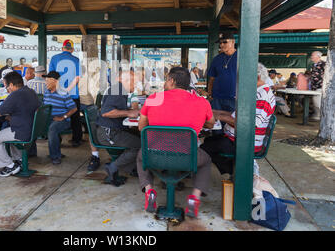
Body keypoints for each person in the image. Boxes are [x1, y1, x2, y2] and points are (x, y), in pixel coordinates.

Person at [137, 67, 215, 218]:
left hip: (155, 156)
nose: (165, 82)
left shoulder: (154, 98)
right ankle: (194, 197)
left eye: (166, 79)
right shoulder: (201, 102)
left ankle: (149, 191)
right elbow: (211, 123)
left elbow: (141, 127)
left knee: (141, 155)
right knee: (206, 161)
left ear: (171, 81)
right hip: (188, 158)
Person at [200, 63, 276, 177]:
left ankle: (244, 173)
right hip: (238, 139)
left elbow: (250, 124)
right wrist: (216, 113)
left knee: (205, 149)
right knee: (208, 142)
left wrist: (219, 117)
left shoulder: (262, 95)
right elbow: (238, 115)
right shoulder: (258, 92)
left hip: (244, 143)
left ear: (257, 77)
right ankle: (238, 172)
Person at [0, 71, 41, 177]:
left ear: (11, 84)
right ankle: (19, 160)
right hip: (33, 129)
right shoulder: (30, 91)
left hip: (21, 131)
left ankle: (10, 166)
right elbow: (33, 108)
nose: (7, 89)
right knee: (6, 133)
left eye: (6, 86)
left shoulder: (15, 95)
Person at [95, 70, 141, 186]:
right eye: (133, 82)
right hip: (108, 133)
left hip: (112, 130)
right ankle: (112, 167)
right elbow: (106, 112)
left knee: (139, 136)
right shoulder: (117, 90)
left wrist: (132, 111)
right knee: (140, 144)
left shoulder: (119, 90)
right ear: (125, 81)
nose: (135, 85)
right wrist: (128, 113)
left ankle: (130, 168)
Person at [49, 39, 82, 147]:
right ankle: (76, 140)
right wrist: (68, 90)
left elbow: (51, 77)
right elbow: (77, 78)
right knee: (75, 117)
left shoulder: (54, 58)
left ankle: (56, 141)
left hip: (58, 94)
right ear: (72, 49)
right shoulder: (77, 60)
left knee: (56, 116)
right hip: (73, 94)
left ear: (62, 48)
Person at [42, 71, 78, 165]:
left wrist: (63, 117)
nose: (46, 83)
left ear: (54, 81)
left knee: (52, 129)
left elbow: (74, 108)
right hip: (49, 119)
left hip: (63, 120)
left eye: (48, 81)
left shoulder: (63, 93)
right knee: (32, 123)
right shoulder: (46, 92)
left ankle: (55, 156)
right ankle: (30, 153)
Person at [207, 32, 237, 112]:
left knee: (233, 123)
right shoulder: (217, 59)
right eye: (220, 43)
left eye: (225, 42)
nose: (221, 45)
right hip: (217, 98)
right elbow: (212, 78)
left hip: (234, 99)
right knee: (216, 123)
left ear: (233, 42)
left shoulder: (241, 57)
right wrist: (210, 94)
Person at [309, 51, 325, 121]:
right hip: (314, 87)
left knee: (318, 101)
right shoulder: (314, 65)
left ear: (318, 56)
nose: (311, 57)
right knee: (315, 101)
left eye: (313, 55)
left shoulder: (323, 64)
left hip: (320, 86)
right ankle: (317, 115)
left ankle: (319, 116)